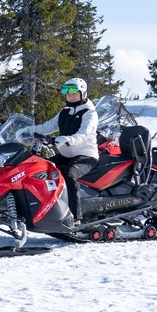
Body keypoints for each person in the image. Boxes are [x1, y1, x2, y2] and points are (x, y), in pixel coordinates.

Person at [32, 77, 99, 221]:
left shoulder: (90, 114)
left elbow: (83, 135)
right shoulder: (65, 112)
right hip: (66, 155)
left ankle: (75, 217)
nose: (70, 96)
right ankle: (45, 208)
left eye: (74, 93)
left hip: (86, 156)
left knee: (70, 174)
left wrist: (67, 139)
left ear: (83, 93)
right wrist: (28, 131)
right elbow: (48, 127)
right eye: (68, 94)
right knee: (41, 168)